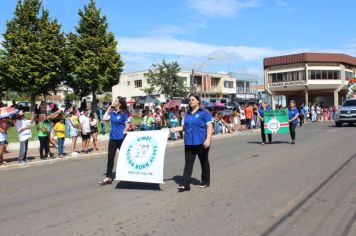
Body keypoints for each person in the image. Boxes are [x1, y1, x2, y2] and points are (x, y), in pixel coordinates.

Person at [170, 94, 213, 192]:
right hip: (189, 142)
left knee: (204, 162)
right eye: (189, 100)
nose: (191, 101)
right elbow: (184, 127)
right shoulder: (188, 114)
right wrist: (175, 129)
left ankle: (206, 181)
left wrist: (208, 139)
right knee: (188, 163)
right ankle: (185, 184)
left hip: (201, 142)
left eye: (193, 100)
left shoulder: (204, 113)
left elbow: (209, 127)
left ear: (198, 101)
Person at [100, 97, 130, 185]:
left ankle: (129, 174)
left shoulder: (124, 113)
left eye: (116, 101)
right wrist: (110, 107)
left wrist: (125, 130)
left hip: (121, 138)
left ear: (120, 103)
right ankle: (108, 177)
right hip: (112, 138)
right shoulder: (112, 113)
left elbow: (127, 125)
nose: (114, 101)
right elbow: (104, 118)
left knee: (124, 157)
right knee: (110, 158)